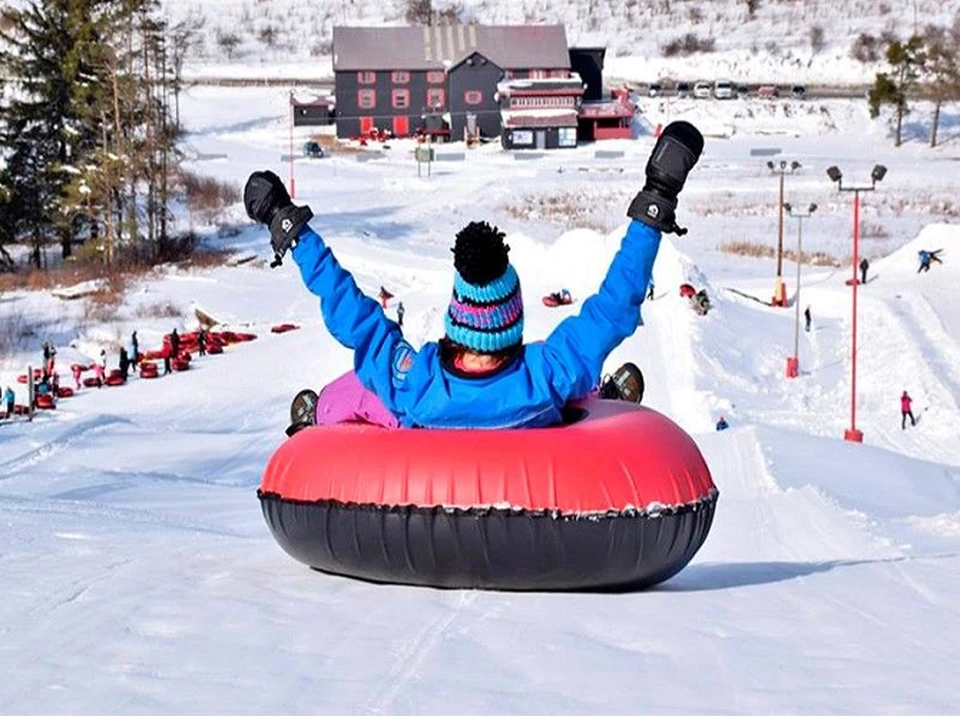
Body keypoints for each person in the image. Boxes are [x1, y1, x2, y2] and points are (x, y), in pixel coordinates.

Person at [243, 120, 704, 432]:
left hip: (425, 416)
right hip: (539, 411)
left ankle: (316, 417)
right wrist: (657, 195)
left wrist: (291, 228)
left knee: (359, 389)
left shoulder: (414, 382)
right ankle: (606, 398)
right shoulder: (545, 374)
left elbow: (352, 314)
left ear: (456, 317)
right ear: (514, 318)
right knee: (580, 380)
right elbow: (614, 306)